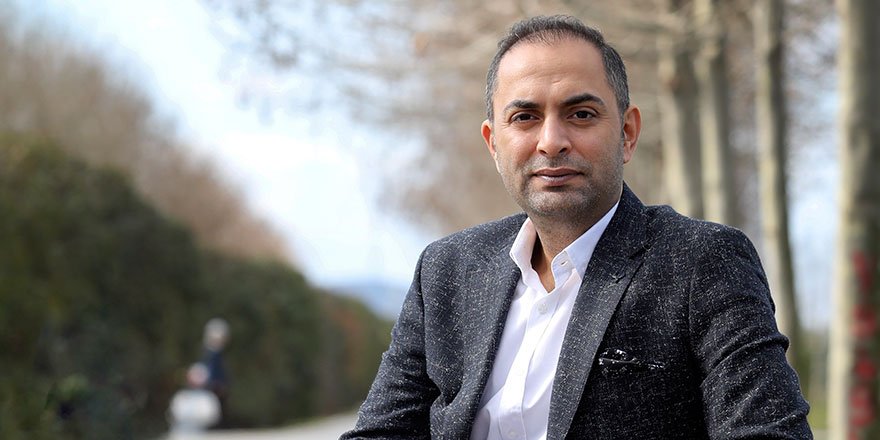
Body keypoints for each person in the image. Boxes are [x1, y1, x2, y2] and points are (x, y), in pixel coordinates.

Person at [342, 15, 811, 440]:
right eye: (525, 117)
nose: (551, 142)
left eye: (581, 114)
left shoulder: (702, 262)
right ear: (493, 143)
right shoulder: (445, 271)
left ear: (627, 133)